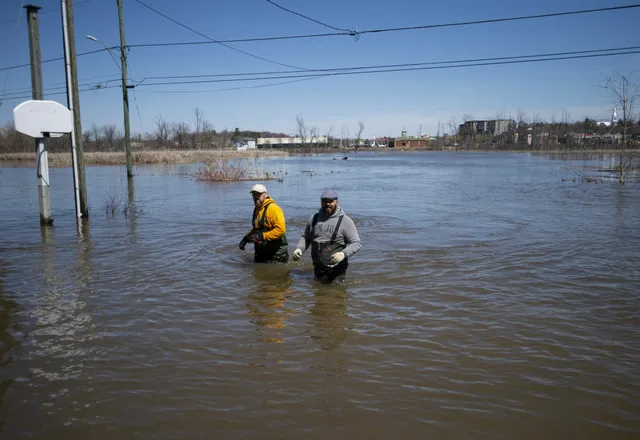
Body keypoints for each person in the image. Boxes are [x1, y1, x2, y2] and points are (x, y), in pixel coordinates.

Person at [292, 190, 361, 283]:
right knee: (319, 295)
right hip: (318, 269)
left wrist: (343, 254)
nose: (327, 204)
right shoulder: (314, 218)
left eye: (331, 201)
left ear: (337, 202)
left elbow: (356, 243)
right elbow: (306, 237)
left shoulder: (345, 221)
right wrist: (299, 249)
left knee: (334, 294)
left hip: (336, 271)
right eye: (324, 201)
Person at [239, 184, 289, 263]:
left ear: (265, 195)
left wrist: (262, 236)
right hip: (261, 251)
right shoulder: (257, 209)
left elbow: (281, 230)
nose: (256, 197)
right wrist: (246, 239)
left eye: (258, 194)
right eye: (254, 195)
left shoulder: (274, 209)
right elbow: (257, 228)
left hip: (276, 253)